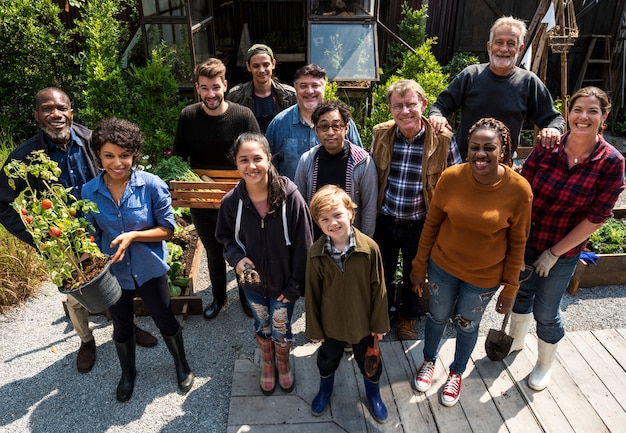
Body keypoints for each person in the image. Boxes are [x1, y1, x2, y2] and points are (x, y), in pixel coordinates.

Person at [0, 88, 157, 375]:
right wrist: (39, 237)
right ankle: (86, 340)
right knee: (76, 295)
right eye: (47, 109)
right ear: (37, 115)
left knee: (117, 283)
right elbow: (3, 204)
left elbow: (119, 172)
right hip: (61, 242)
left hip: (101, 231)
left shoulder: (91, 141)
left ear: (71, 111)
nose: (56, 114)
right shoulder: (24, 158)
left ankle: (127, 327)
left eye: (62, 108)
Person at [506, 86, 625, 391]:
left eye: (593, 111)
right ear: (568, 113)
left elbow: (597, 216)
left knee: (546, 311)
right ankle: (516, 342)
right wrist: (516, 242)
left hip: (565, 248)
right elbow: (522, 191)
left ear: (604, 117)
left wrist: (554, 253)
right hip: (529, 238)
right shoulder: (548, 146)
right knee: (521, 294)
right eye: (577, 110)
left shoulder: (611, 162)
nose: (583, 117)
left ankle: (544, 363)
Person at [410, 117, 533, 407]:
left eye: (489, 147)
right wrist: (418, 266)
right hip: (443, 267)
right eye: (474, 147)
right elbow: (431, 224)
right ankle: (429, 360)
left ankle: (456, 372)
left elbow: (518, 243)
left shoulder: (519, 190)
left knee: (467, 324)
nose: (480, 153)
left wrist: (510, 288)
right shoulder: (451, 178)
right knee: (437, 317)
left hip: (483, 277)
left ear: (503, 151)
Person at [81, 117, 194, 402]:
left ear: (134, 154)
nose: (117, 162)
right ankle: (128, 373)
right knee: (121, 324)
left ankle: (181, 364)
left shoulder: (152, 185)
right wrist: (86, 257)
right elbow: (89, 233)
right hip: (114, 273)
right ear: (99, 155)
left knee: (164, 318)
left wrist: (132, 236)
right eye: (109, 155)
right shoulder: (89, 192)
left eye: (124, 155)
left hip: (149, 268)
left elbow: (167, 230)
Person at [215, 133, 313, 395]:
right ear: (236, 164)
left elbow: (305, 243)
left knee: (281, 326)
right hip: (252, 284)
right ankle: (267, 362)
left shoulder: (290, 197)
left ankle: (283, 361)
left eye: (257, 158)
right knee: (262, 325)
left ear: (269, 159)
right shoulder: (231, 203)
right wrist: (236, 259)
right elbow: (224, 237)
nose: (252, 166)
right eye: (243, 160)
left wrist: (296, 285)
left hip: (286, 284)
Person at [371, 79, 462, 340]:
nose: (405, 111)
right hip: (386, 219)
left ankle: (408, 318)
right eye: (397, 106)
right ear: (390, 109)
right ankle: (383, 313)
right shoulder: (382, 134)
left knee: (415, 274)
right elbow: (372, 175)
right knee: (382, 271)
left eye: (410, 104)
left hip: (420, 222)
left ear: (423, 104)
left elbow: (456, 182)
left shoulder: (443, 139)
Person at [173, 58, 260, 320]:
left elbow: (259, 152)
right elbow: (178, 158)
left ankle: (247, 297)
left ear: (225, 85)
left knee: (243, 249)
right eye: (204, 88)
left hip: (240, 197)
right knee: (213, 250)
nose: (211, 94)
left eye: (215, 87)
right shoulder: (188, 116)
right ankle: (219, 298)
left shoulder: (243, 116)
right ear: (197, 88)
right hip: (201, 198)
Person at [305, 184, 390, 423]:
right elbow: (312, 294)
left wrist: (379, 324)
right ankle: (325, 390)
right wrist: (315, 328)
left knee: (369, 361)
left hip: (363, 324)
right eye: (324, 219)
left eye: (338, 215)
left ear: (351, 213)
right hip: (332, 325)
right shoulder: (316, 254)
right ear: (318, 223)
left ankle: (373, 395)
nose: (332, 222)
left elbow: (379, 289)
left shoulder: (369, 249)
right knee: (327, 358)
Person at [428, 16, 565, 159]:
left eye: (511, 43)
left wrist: (552, 129)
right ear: (489, 46)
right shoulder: (471, 75)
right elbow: (440, 105)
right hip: (463, 163)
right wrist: (437, 117)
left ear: (520, 48)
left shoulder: (528, 82)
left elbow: (555, 119)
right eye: (499, 42)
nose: (504, 49)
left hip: (503, 168)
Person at [294, 99, 377, 238]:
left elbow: (369, 208)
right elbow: (299, 205)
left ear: (346, 128)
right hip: (315, 242)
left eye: (336, 126)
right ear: (316, 130)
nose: (330, 132)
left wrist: (363, 245)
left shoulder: (363, 162)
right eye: (324, 126)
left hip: (351, 242)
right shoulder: (307, 160)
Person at [265, 64, 362, 180]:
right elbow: (268, 167)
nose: (310, 91)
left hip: (335, 196)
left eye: (315, 85)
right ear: (295, 89)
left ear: (324, 88)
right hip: (291, 196)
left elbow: (359, 162)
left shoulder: (343, 123)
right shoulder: (279, 124)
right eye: (303, 86)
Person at [226, 43, 297, 133]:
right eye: (256, 66)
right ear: (248, 67)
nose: (261, 70)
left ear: (273, 64)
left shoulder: (290, 95)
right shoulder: (236, 96)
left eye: (266, 65)